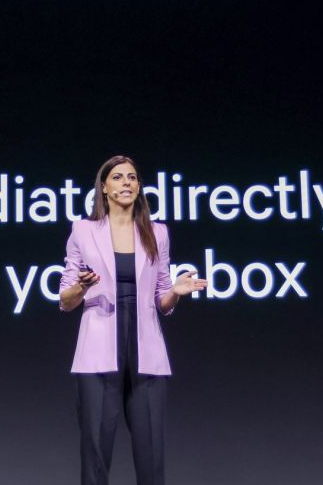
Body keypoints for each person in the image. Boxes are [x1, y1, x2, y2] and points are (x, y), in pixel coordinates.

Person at [59, 155, 207, 485]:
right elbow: (65, 300)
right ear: (104, 187)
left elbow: (162, 302)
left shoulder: (158, 233)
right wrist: (82, 287)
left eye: (132, 178)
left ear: (139, 187)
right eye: (118, 177)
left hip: (147, 354)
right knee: (95, 455)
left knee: (151, 457)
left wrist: (177, 291)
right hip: (98, 355)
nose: (127, 182)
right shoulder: (84, 231)